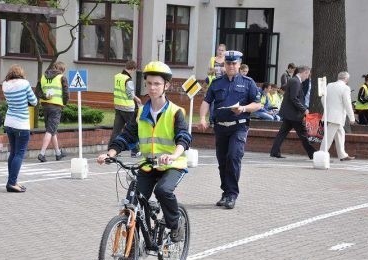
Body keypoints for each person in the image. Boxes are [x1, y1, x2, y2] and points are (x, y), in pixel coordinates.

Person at [97, 61, 192, 243]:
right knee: (133, 201)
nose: (152, 87)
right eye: (149, 83)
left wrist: (173, 155)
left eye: (157, 83)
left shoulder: (175, 112)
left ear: (166, 85)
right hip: (148, 165)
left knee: (163, 190)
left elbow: (183, 138)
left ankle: (175, 224)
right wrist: (111, 154)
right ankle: (132, 249)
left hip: (172, 164)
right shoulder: (140, 113)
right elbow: (126, 136)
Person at [198, 50, 261, 209]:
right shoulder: (217, 83)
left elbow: (258, 104)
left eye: (234, 63)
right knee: (222, 161)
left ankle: (232, 194)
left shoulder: (248, 82)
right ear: (224, 65)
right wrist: (202, 119)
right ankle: (226, 193)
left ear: (239, 64)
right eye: (228, 63)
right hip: (220, 127)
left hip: (239, 126)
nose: (231, 66)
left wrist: (244, 108)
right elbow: (206, 102)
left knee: (233, 157)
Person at [2, 64, 38, 192]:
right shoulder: (24, 83)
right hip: (21, 124)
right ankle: (12, 183)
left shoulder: (5, 85)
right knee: (19, 153)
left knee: (13, 152)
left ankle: (13, 181)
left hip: (9, 122)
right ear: (21, 73)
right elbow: (34, 102)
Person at [270, 65, 316, 159]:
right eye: (307, 75)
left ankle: (274, 151)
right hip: (294, 114)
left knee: (282, 133)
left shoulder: (294, 80)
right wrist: (304, 109)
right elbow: (294, 98)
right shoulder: (295, 81)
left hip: (290, 113)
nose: (307, 77)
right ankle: (313, 154)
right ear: (304, 73)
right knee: (303, 134)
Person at [35, 61, 68, 162]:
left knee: (51, 129)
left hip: (45, 106)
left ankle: (58, 153)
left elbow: (37, 91)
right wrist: (65, 103)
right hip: (56, 106)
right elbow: (66, 92)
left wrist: (44, 97)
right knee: (50, 130)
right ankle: (42, 153)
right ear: (62, 70)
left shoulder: (43, 77)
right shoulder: (61, 77)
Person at [109, 60, 142, 157]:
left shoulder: (117, 76)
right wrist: (138, 99)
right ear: (133, 69)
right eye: (134, 70)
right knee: (133, 129)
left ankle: (112, 150)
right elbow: (130, 94)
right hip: (128, 108)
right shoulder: (128, 80)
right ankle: (135, 151)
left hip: (118, 106)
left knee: (117, 130)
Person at [320, 71, 355, 161]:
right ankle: (322, 154)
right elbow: (347, 103)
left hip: (330, 114)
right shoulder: (346, 88)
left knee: (340, 134)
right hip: (337, 116)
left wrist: (327, 108)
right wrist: (352, 117)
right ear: (346, 79)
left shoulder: (329, 85)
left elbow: (323, 98)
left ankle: (342, 154)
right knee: (329, 136)